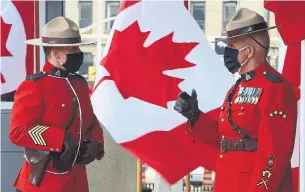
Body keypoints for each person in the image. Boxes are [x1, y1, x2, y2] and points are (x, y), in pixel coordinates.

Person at [174, 8, 297, 192]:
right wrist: (195, 117)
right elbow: (227, 138)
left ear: (248, 51)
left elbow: (274, 156)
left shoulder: (275, 88)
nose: (227, 53)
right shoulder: (237, 88)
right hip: (227, 183)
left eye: (231, 47)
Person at [9, 16, 105, 192]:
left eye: (78, 47)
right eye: (72, 48)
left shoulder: (79, 84)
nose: (78, 52)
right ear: (55, 52)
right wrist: (59, 138)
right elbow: (18, 131)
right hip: (44, 183)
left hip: (76, 182)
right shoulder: (34, 86)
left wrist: (96, 143)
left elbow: (90, 120)